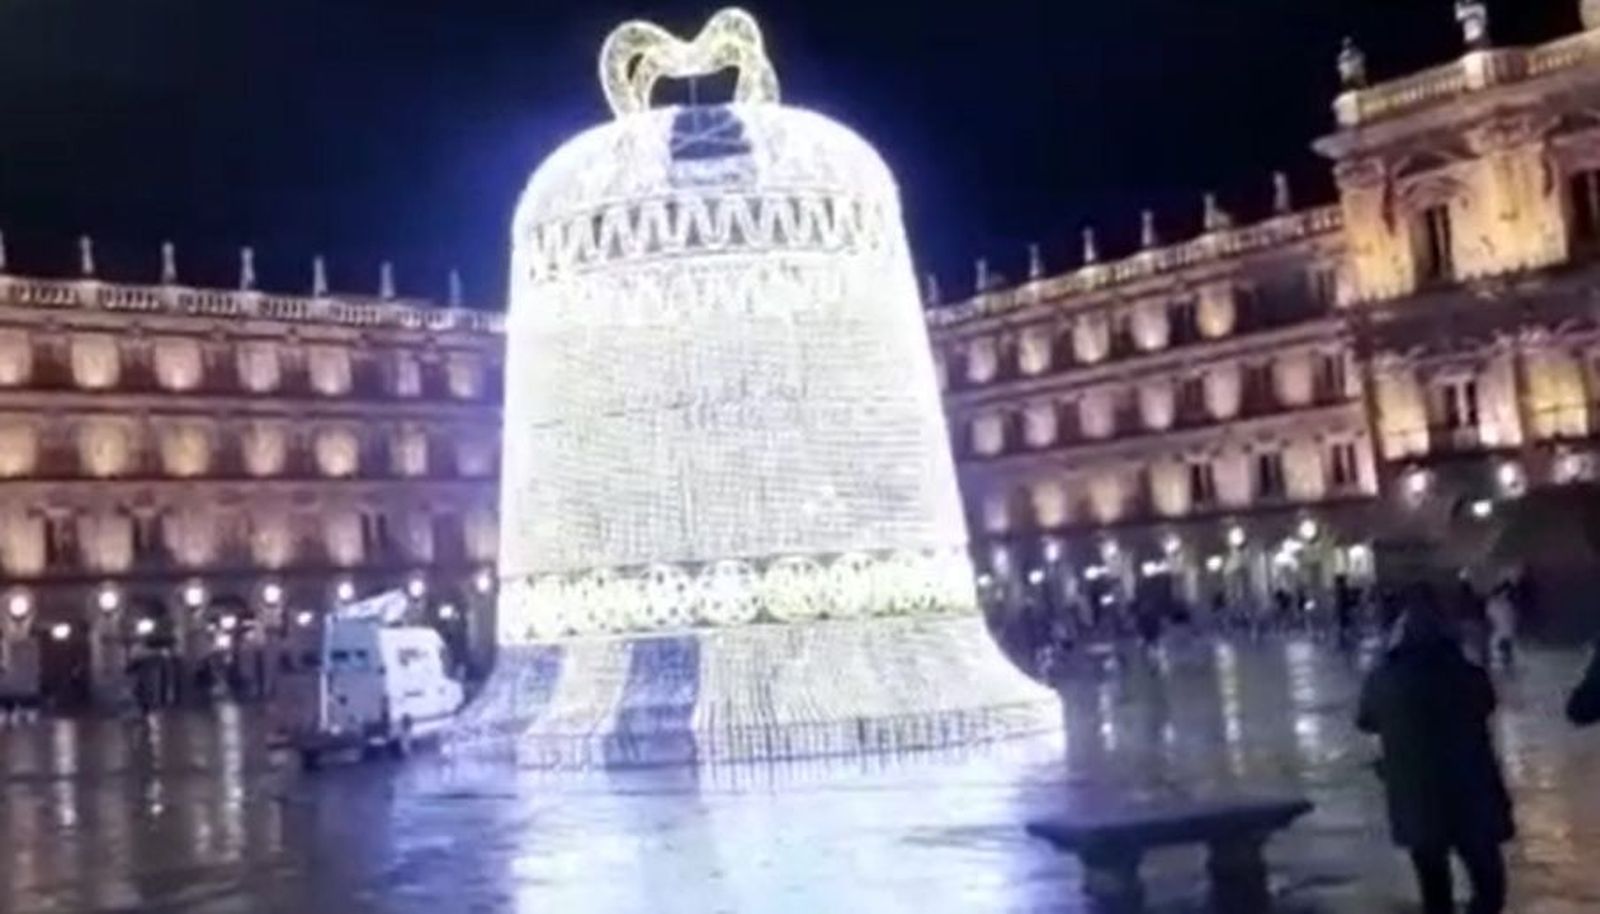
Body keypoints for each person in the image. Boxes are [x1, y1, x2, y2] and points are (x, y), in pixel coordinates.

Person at [1357, 589, 1514, 914]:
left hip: (1415, 792)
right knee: (1488, 880)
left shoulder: (1383, 679)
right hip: (1471, 788)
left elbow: (1365, 721)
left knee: (1433, 885)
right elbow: (1487, 703)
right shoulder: (1467, 675)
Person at [1485, 581, 1517, 669]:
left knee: (1507, 655)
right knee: (1498, 655)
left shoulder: (1508, 604)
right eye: (1504, 593)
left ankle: (1508, 668)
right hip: (1499, 634)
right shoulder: (1492, 604)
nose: (1505, 595)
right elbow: (1490, 619)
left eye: (1507, 593)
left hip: (1507, 633)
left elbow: (1512, 618)